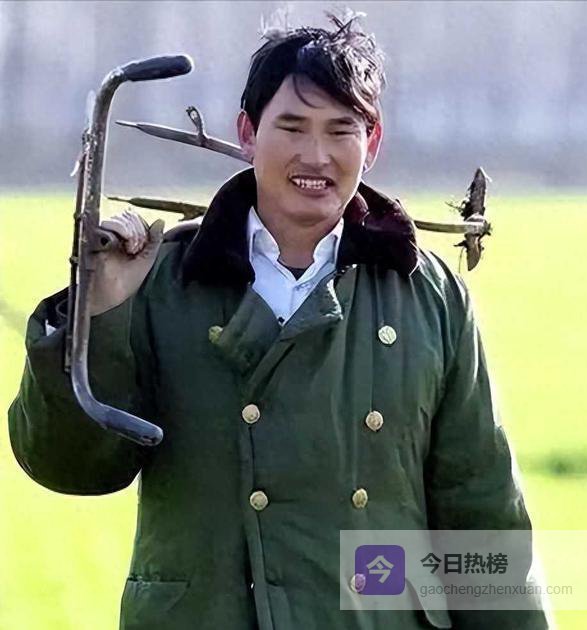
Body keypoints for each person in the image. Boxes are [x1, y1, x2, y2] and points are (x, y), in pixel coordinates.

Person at [8, 13, 552, 630]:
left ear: (372, 142)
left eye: (340, 130)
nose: (315, 155)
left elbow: (483, 512)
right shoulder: (158, 280)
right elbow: (71, 465)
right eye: (291, 127)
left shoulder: (428, 297)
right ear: (247, 132)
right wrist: (100, 307)